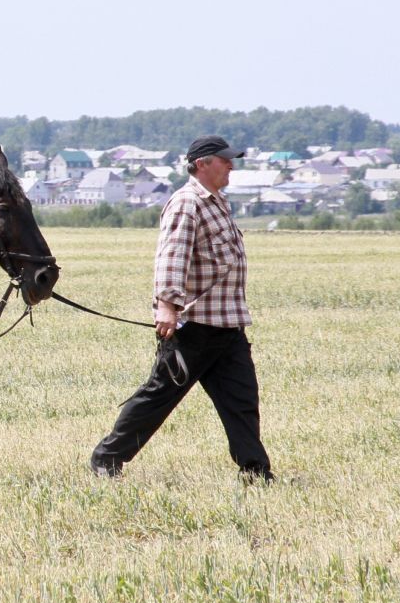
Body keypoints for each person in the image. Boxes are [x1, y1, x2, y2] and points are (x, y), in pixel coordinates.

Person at [90, 135, 273, 481]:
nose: (231, 165)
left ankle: (255, 471)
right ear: (202, 164)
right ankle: (107, 457)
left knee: (242, 402)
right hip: (196, 327)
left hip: (228, 325)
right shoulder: (188, 202)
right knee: (158, 397)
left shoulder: (217, 202)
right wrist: (167, 306)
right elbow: (172, 257)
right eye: (225, 159)